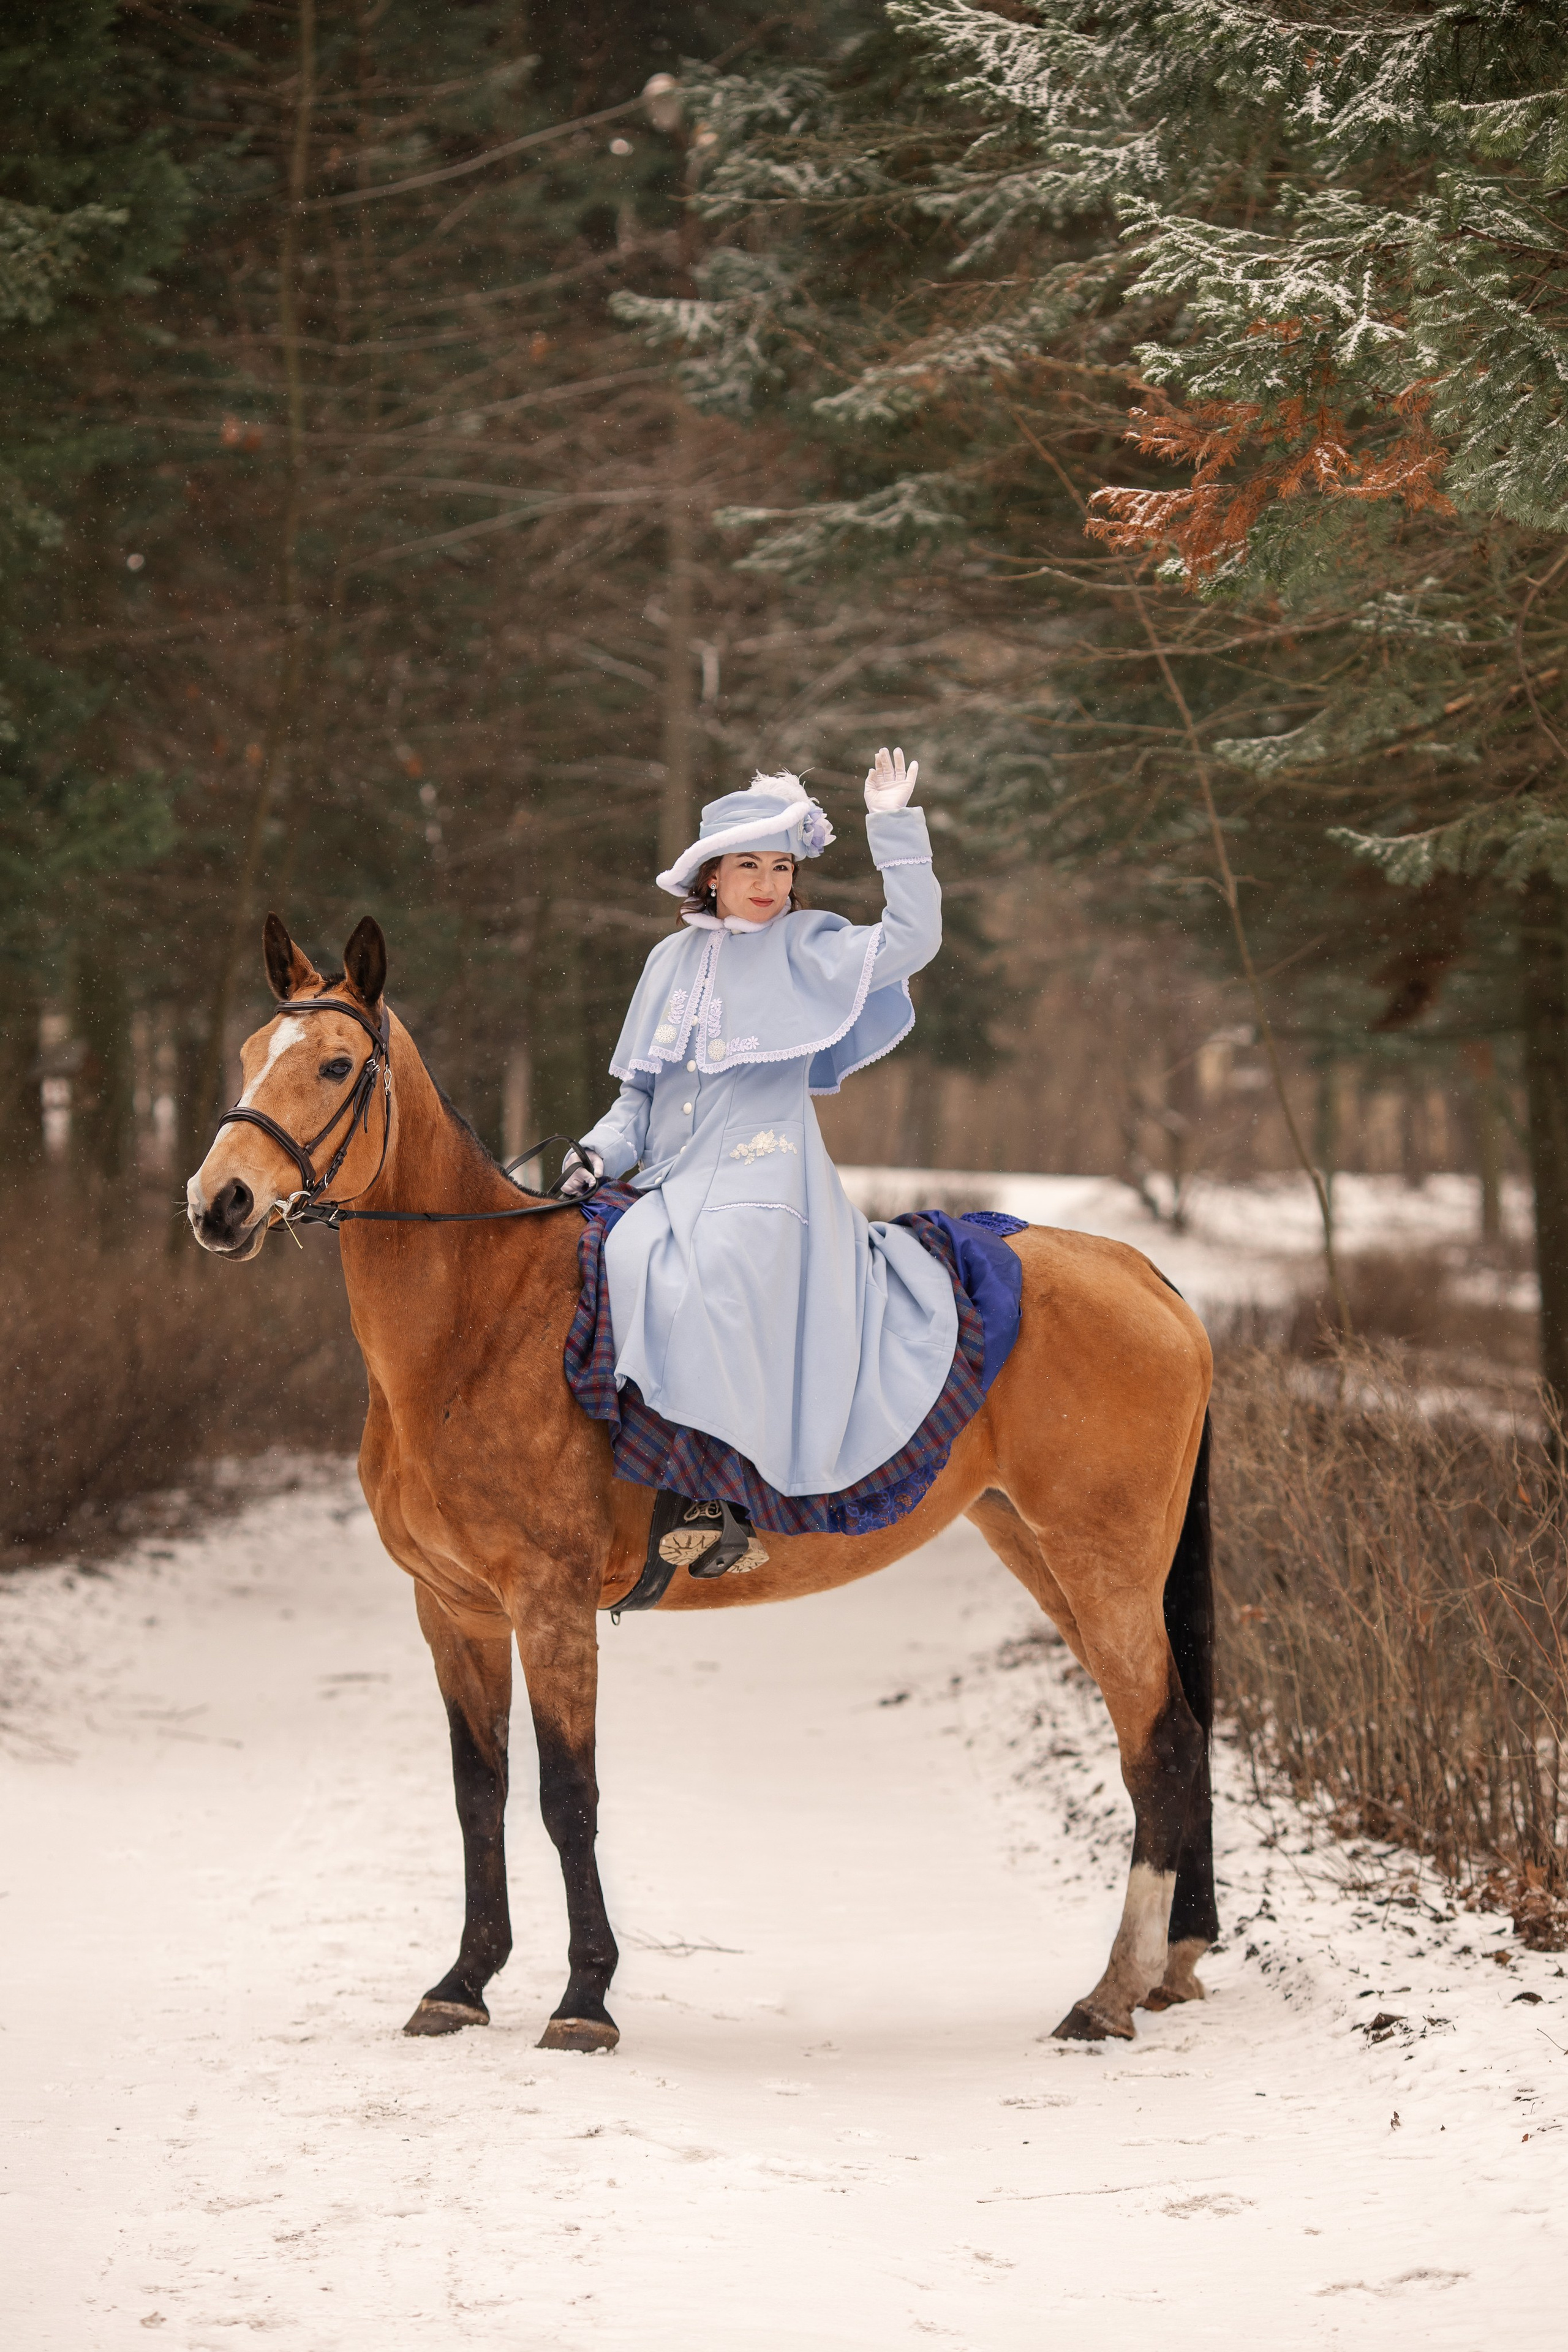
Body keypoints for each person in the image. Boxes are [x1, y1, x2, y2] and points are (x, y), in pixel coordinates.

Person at [560, 748, 957, 1577]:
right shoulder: (667, 963)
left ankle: (723, 1504)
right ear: (712, 874)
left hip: (768, 1179)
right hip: (669, 1180)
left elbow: (916, 939)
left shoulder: (810, 946)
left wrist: (892, 826)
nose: (769, 883)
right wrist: (595, 1153)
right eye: (750, 866)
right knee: (602, 1258)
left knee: (716, 1270)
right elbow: (638, 1099)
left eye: (782, 867)